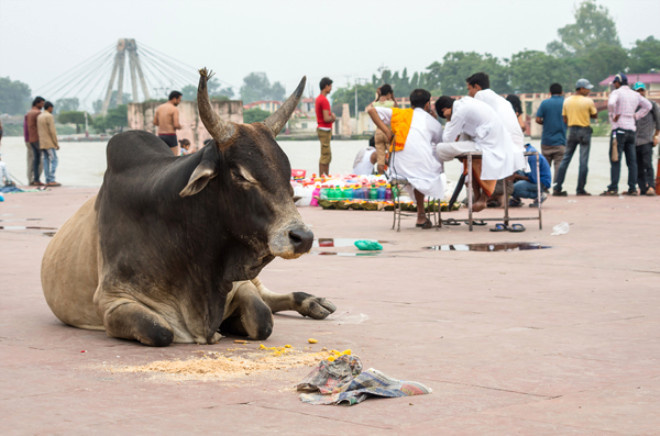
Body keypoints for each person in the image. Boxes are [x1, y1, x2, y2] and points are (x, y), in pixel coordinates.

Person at [367, 89, 444, 228]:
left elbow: (371, 110)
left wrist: (387, 131)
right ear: (428, 104)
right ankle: (422, 214)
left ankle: (421, 214)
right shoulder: (433, 123)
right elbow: (439, 143)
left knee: (418, 170)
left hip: (398, 168)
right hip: (421, 169)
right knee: (428, 169)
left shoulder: (401, 113)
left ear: (411, 103)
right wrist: (435, 120)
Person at [435, 95, 524, 213]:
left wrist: (448, 120)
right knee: (464, 148)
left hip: (487, 146)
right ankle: (479, 197)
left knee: (440, 149)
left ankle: (480, 197)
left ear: (444, 110)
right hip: (492, 142)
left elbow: (447, 139)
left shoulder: (459, 111)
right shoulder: (466, 103)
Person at [601, 73, 652, 196]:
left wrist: (614, 115)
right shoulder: (635, 94)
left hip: (619, 129)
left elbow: (611, 104)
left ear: (618, 82)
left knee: (615, 159)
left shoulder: (616, 93)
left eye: (615, 82)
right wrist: (636, 115)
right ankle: (632, 188)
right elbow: (648, 106)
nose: (614, 84)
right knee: (632, 161)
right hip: (631, 130)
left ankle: (613, 187)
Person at [553, 78, 597, 196]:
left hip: (571, 130)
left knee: (565, 159)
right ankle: (580, 189)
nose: (589, 91)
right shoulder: (588, 101)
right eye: (587, 88)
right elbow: (594, 114)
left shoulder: (567, 101)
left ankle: (557, 187)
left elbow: (564, 118)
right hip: (584, 131)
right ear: (581, 89)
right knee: (583, 161)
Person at [535, 83, 567, 183]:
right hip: (560, 141)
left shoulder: (545, 103)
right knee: (559, 166)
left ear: (550, 93)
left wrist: (545, 122)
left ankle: (544, 187)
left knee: (545, 166)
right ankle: (557, 187)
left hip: (546, 141)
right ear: (562, 92)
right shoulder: (565, 103)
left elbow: (537, 119)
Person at [632, 82, 660, 196]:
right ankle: (642, 188)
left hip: (647, 139)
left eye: (642, 90)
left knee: (647, 164)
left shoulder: (652, 105)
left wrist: (655, 136)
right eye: (637, 91)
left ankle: (651, 187)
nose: (640, 93)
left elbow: (658, 122)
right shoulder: (632, 106)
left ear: (645, 91)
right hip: (634, 140)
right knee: (637, 166)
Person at [509, 144, 552, 208]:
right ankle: (515, 199)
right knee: (511, 173)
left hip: (542, 182)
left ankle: (539, 195)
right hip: (534, 177)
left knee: (514, 188)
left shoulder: (532, 155)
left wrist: (517, 177)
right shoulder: (527, 151)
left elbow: (534, 179)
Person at [371, 84, 398, 173]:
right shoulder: (391, 103)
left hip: (378, 132)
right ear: (389, 93)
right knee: (392, 157)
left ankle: (381, 178)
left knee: (380, 159)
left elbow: (372, 107)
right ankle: (391, 176)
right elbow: (397, 112)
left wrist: (378, 96)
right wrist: (393, 98)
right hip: (388, 132)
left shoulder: (375, 104)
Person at [315, 77, 336, 176]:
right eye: (330, 86)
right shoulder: (324, 100)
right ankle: (323, 177)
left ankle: (324, 176)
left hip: (322, 128)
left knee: (326, 154)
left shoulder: (319, 99)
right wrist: (333, 117)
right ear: (326, 86)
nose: (331, 88)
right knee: (326, 155)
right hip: (325, 129)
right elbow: (326, 118)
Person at [37, 101, 61, 187]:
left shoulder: (39, 116)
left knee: (46, 161)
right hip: (49, 143)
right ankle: (51, 179)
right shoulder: (49, 116)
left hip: (42, 143)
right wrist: (56, 143)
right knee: (54, 160)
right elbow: (52, 131)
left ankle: (47, 179)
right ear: (50, 107)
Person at [153, 91, 183, 156]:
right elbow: (176, 125)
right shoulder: (174, 109)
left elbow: (155, 122)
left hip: (160, 135)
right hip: (170, 135)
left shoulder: (159, 108)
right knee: (173, 158)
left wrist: (163, 124)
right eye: (179, 100)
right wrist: (180, 127)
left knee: (162, 156)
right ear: (174, 99)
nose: (179, 102)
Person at [25, 97, 45, 186]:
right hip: (35, 138)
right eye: (41, 103)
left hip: (29, 139)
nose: (43, 105)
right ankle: (36, 179)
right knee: (38, 160)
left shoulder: (28, 113)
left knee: (32, 160)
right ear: (37, 103)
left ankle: (32, 179)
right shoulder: (37, 113)